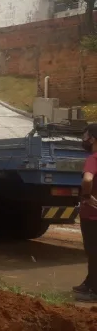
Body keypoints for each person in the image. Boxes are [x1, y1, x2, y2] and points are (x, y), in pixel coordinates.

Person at [75, 124, 97, 302]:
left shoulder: (93, 158)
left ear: (93, 139)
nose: (84, 139)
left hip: (92, 216)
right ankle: (89, 283)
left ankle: (94, 291)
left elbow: (88, 178)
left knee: (93, 252)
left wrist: (87, 195)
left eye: (86, 136)